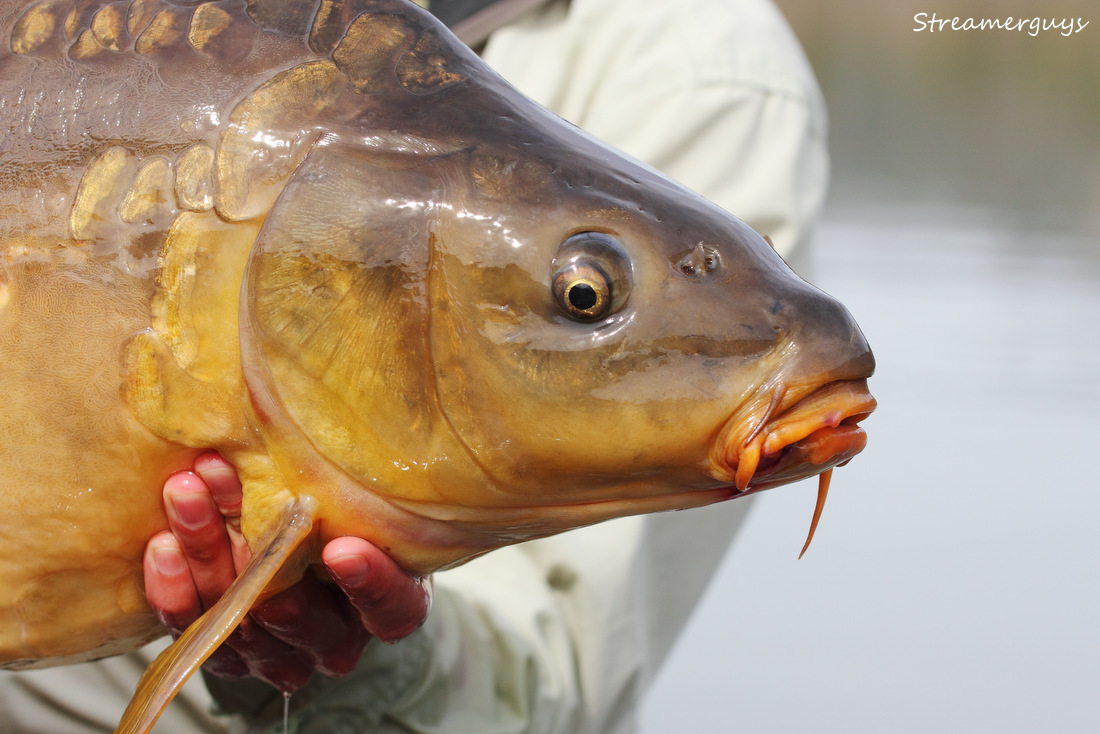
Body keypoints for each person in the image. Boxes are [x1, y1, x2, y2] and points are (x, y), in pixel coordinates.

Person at [0, 0, 828, 731]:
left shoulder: (699, 68)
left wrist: (355, 656)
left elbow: (550, 684)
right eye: (584, 293)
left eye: (585, 293)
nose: (583, 295)